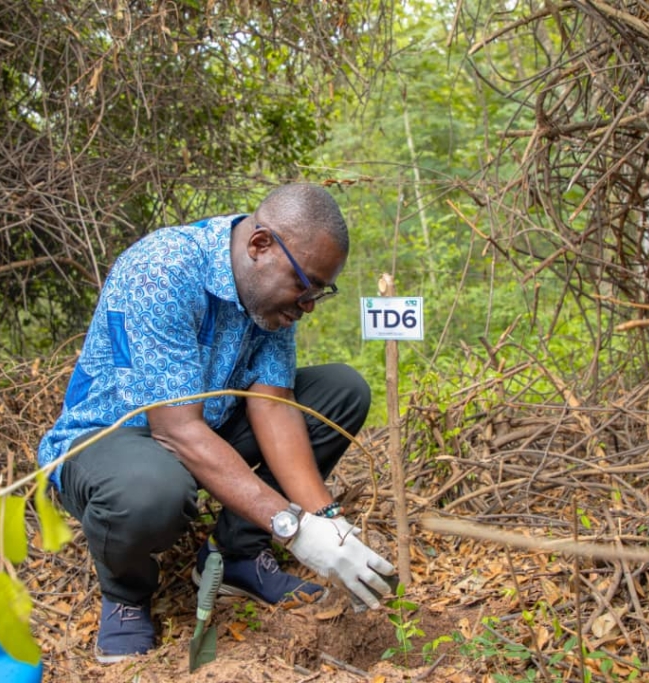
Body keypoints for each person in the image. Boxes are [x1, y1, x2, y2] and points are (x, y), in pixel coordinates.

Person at [38, 183, 396, 662]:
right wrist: (292, 527)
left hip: (203, 427)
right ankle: (125, 596)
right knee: (151, 491)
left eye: (320, 292)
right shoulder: (163, 269)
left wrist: (328, 523)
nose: (308, 305)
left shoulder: (268, 299)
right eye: (304, 285)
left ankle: (235, 556)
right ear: (260, 246)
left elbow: (272, 405)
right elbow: (176, 431)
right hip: (112, 437)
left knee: (341, 391)